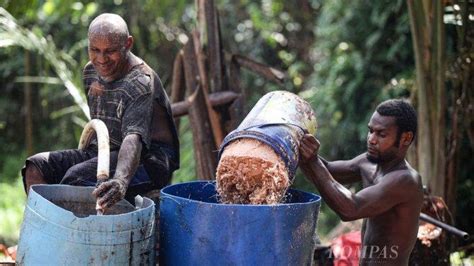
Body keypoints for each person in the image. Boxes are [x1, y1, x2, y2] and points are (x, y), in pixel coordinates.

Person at [21, 13, 179, 211]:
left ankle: (79, 237)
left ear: (128, 44)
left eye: (110, 51)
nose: (101, 59)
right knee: (36, 167)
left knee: (75, 179)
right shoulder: (90, 72)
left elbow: (133, 139)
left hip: (149, 160)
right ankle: (46, 229)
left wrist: (121, 180)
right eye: (94, 50)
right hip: (105, 151)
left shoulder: (140, 81)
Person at [299, 99, 423, 265]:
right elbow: (324, 171)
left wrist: (312, 161)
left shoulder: (406, 180)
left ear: (405, 138)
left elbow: (350, 209)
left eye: (381, 134)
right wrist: (297, 147)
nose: (371, 139)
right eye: (370, 131)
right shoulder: (368, 162)